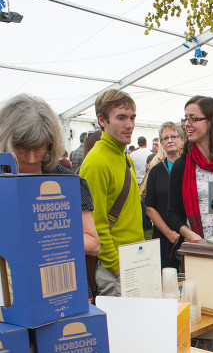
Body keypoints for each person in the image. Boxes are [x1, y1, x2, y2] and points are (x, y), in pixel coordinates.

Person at [0, 94, 99, 256]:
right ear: (7, 142)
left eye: (39, 148)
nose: (31, 158)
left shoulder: (68, 181)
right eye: (23, 148)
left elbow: (93, 244)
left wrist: (43, 238)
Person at [80, 88, 143, 296]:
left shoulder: (124, 156)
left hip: (134, 260)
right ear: (102, 120)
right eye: (121, 118)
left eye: (132, 118)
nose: (129, 125)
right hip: (113, 269)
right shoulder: (96, 162)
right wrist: (117, 269)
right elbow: (96, 225)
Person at [166, 96, 213, 241]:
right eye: (185, 119)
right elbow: (173, 214)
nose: (187, 124)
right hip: (198, 248)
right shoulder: (181, 165)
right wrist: (193, 237)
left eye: (193, 119)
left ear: (211, 121)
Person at [145, 121, 184, 269]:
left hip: (189, 233)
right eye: (165, 138)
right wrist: (169, 234)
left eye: (173, 136)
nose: (170, 140)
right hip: (164, 236)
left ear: (182, 139)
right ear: (161, 143)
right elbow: (150, 207)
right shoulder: (155, 171)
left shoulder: (190, 168)